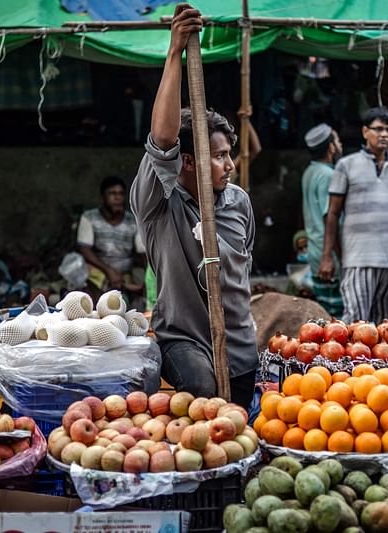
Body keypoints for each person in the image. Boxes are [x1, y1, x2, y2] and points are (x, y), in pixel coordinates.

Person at [130, 4, 257, 408]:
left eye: (228, 154)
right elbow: (163, 140)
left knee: (240, 428)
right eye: (218, 156)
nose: (229, 164)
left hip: (238, 343)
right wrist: (175, 53)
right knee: (203, 393)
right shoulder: (159, 202)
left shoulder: (239, 203)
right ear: (189, 161)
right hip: (185, 340)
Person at [318, 107, 388, 325]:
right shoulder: (346, 165)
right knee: (356, 324)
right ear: (364, 132)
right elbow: (332, 214)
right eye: (378, 129)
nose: (384, 134)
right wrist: (327, 256)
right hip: (358, 259)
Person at [76, 176, 146, 307]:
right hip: (99, 269)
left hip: (125, 272)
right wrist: (109, 271)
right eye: (112, 194)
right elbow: (84, 249)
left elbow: (142, 253)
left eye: (120, 194)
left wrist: (148, 279)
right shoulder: (89, 218)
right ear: (102, 197)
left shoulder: (133, 221)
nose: (117, 198)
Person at [300, 123, 344, 317]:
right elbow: (330, 218)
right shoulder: (328, 175)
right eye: (338, 140)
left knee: (326, 310)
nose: (340, 144)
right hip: (328, 253)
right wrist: (333, 256)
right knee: (335, 314)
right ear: (331, 147)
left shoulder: (310, 172)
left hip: (316, 249)